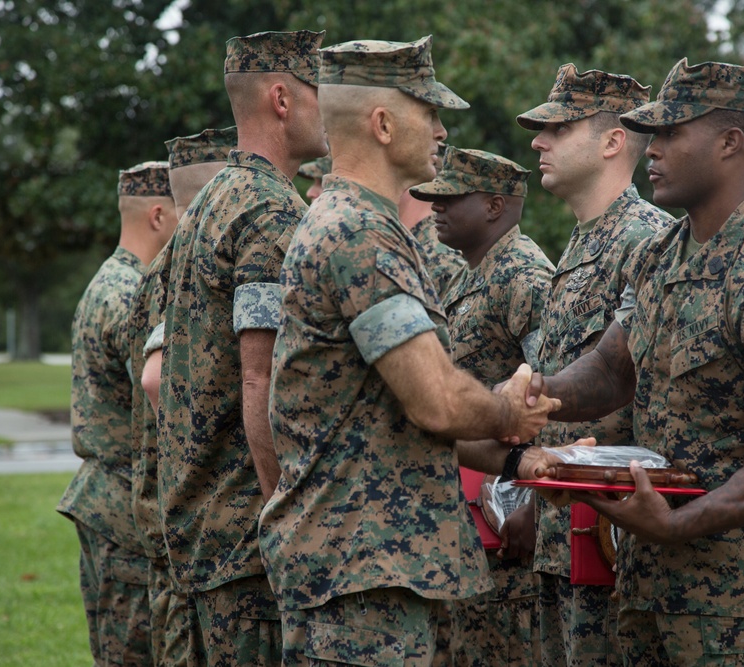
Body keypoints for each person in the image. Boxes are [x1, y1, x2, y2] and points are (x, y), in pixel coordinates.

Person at [530, 58, 744, 664]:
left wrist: (681, 523)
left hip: (736, 599)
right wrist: (532, 393)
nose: (653, 146)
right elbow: (609, 372)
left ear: (730, 143)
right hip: (646, 582)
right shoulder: (658, 257)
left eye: (673, 132)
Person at [259, 36, 561, 667]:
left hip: (363, 566)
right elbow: (437, 401)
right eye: (430, 113)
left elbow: (393, 419)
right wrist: (508, 411)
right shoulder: (359, 234)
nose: (443, 130)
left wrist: (520, 460)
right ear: (383, 123)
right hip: (360, 574)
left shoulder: (356, 222)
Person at [156, 29, 326, 666]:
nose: (330, 107)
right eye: (320, 90)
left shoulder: (212, 200)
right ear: (282, 100)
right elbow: (262, 379)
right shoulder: (266, 210)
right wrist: (288, 522)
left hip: (207, 525)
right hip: (245, 539)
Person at [513, 63, 673, 667]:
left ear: (612, 142)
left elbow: (644, 394)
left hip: (616, 539)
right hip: (564, 539)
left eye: (557, 128)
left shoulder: (647, 239)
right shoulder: (584, 241)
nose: (537, 142)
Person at [409, 146, 554, 666]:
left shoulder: (523, 275)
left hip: (509, 521)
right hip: (472, 518)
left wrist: (539, 503)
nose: (436, 208)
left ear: (495, 206)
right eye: (433, 198)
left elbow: (554, 399)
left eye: (451, 198)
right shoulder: (466, 273)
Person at [57, 160, 177, 667]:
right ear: (157, 216)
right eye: (183, 214)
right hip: (124, 508)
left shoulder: (107, 282)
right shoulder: (133, 295)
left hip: (106, 501)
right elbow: (160, 400)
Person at [127, 127, 236, 667]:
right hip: (191, 512)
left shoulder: (161, 267)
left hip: (170, 509)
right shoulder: (187, 264)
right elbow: (155, 379)